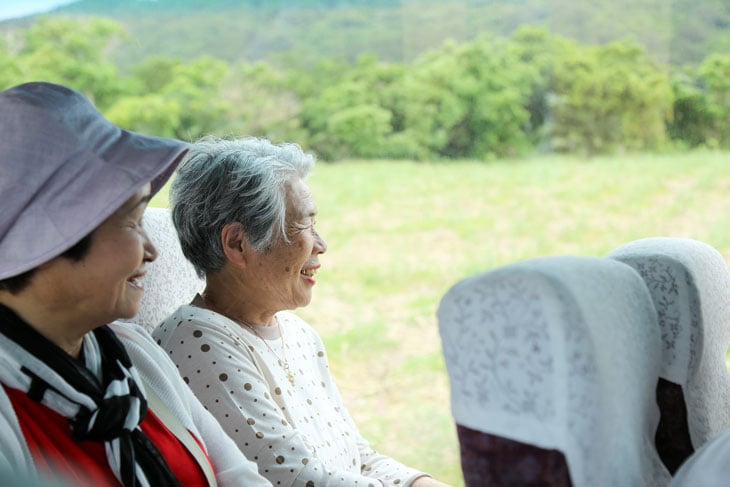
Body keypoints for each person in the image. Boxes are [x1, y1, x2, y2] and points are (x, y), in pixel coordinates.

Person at [0, 82, 271, 487]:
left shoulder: (136, 355)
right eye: (131, 221)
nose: (151, 250)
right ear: (54, 235)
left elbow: (239, 477)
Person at [153, 137, 451, 487]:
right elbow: (295, 480)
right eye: (303, 225)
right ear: (237, 243)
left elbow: (358, 457)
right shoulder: (197, 340)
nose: (321, 244)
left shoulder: (299, 335)